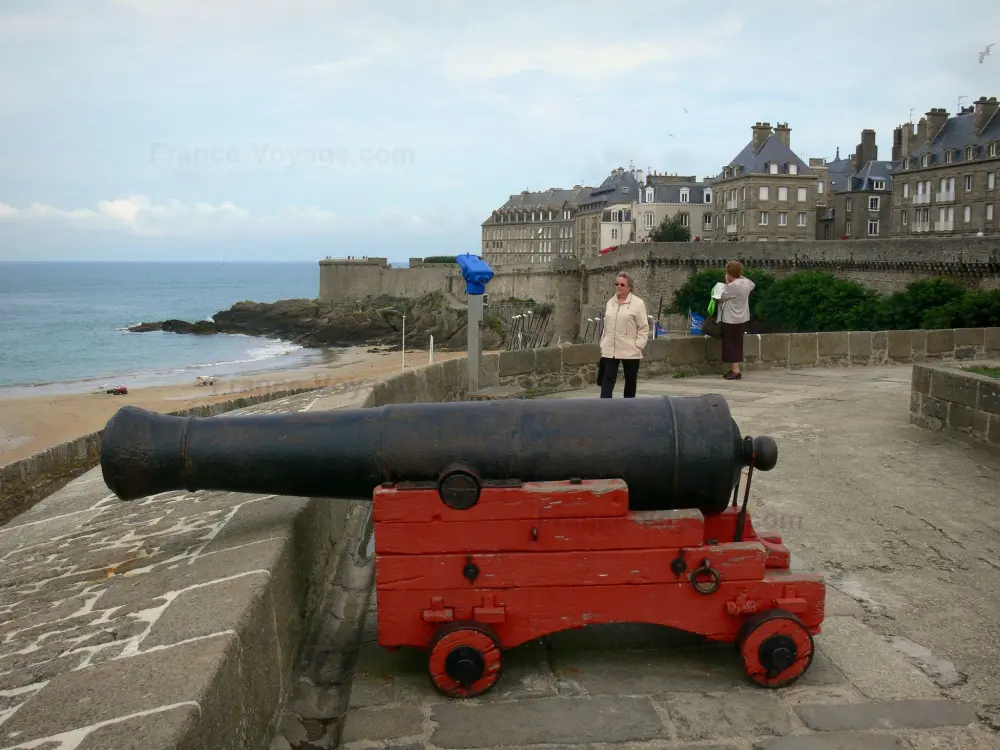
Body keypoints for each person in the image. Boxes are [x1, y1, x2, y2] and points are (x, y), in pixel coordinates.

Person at [599, 272, 649, 398]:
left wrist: (639, 345)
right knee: (607, 379)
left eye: (622, 284)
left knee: (630, 380)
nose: (619, 286)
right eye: (617, 284)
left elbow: (643, 327)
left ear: (629, 287)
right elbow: (606, 325)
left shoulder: (638, 304)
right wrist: (603, 342)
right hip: (610, 348)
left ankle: (628, 406)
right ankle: (604, 406)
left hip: (630, 348)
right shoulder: (610, 302)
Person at [717, 260, 755, 380]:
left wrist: (728, 281)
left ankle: (735, 371)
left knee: (730, 344)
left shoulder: (732, 287)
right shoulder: (746, 283)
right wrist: (738, 275)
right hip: (742, 318)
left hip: (730, 319)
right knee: (737, 343)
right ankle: (735, 369)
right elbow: (752, 283)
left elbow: (720, 297)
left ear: (729, 273)